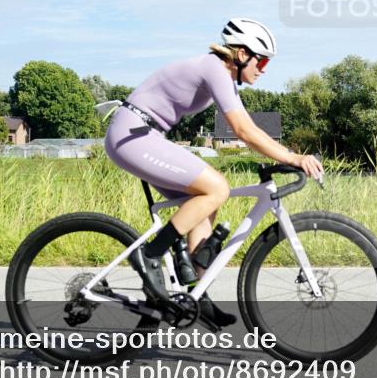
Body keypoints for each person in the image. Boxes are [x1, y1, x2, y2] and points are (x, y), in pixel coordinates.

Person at [104, 18, 324, 327]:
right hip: (133, 134)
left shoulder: (220, 74)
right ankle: (150, 255)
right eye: (261, 60)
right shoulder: (215, 69)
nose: (264, 68)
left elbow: (246, 125)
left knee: (205, 201)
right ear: (241, 54)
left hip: (144, 135)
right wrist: (293, 157)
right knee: (216, 187)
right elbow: (244, 130)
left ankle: (196, 293)